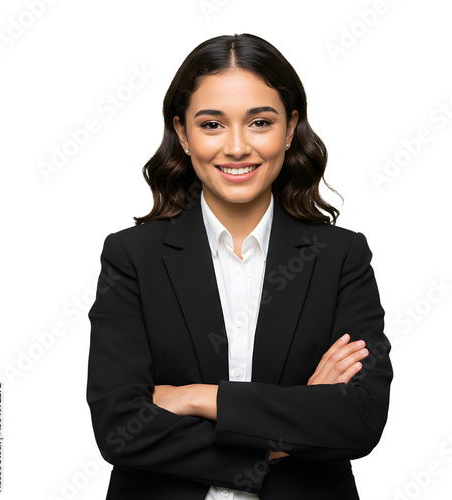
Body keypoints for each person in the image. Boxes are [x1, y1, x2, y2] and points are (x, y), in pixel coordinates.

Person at [86, 33, 393, 500]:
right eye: (212, 124)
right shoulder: (132, 257)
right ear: (183, 135)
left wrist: (196, 397)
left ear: (290, 130)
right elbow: (120, 428)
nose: (236, 147)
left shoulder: (340, 257)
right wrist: (291, 429)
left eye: (259, 123)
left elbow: (359, 419)